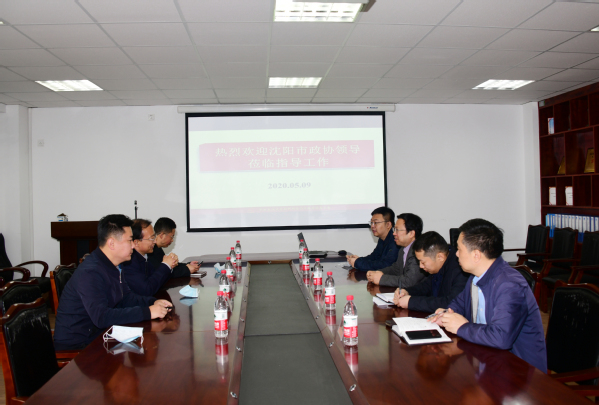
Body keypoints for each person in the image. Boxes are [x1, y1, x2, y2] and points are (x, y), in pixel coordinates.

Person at [432, 219, 547, 372]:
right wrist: (447, 314)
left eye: (459, 249)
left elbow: (501, 338)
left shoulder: (509, 284)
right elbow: (459, 303)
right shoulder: (475, 276)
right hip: (486, 358)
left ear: (476, 255)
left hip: (519, 371)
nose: (456, 254)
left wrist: (461, 327)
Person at [54, 214, 172, 351]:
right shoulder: (91, 272)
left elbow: (126, 298)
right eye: (130, 240)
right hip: (78, 347)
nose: (133, 246)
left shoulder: (113, 265)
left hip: (99, 336)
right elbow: (102, 317)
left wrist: (153, 302)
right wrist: (147, 312)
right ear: (111, 243)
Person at [393, 231, 468, 313]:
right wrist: (407, 291)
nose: (421, 266)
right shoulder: (439, 266)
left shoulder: (461, 271)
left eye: (423, 262)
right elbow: (426, 286)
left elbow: (450, 303)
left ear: (440, 257)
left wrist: (411, 302)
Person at [366, 213, 426, 288]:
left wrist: (381, 279)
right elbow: (396, 269)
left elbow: (409, 281)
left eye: (397, 230)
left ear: (411, 233)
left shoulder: (419, 251)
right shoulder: (403, 249)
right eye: (394, 229)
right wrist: (378, 272)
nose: (394, 233)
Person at [121, 219, 178, 296]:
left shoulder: (144, 257)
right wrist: (166, 265)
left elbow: (156, 281)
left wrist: (170, 266)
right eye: (151, 238)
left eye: (154, 237)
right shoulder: (129, 262)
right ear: (136, 242)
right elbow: (146, 290)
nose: (155, 241)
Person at [347, 207, 399, 271]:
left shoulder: (395, 242)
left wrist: (358, 263)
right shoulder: (382, 239)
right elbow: (373, 257)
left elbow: (385, 265)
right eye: (371, 222)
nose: (372, 226)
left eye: (376, 222)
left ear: (388, 224)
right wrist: (358, 260)